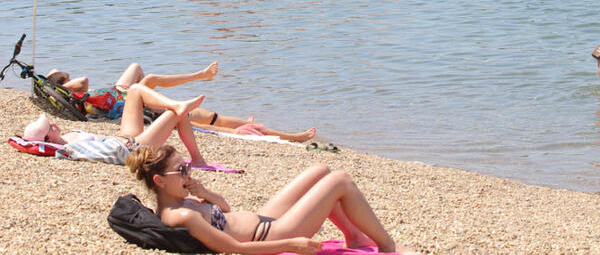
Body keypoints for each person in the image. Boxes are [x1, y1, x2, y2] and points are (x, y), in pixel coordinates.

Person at [128, 147, 419, 255]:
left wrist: (206, 194)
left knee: (320, 171)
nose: (188, 173)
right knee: (340, 180)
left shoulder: (182, 200)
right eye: (181, 170)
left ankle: (354, 237)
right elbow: (234, 248)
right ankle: (387, 247)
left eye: (187, 166)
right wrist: (292, 245)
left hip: (263, 218)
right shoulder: (180, 215)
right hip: (273, 233)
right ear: (160, 181)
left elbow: (225, 211)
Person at [47, 62, 316, 143]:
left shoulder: (80, 97)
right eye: (64, 80)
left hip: (122, 94)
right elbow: (82, 81)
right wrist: (59, 80)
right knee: (210, 120)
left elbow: (81, 83)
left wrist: (56, 79)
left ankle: (200, 80)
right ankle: (292, 137)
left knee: (140, 69)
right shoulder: (76, 94)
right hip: (130, 103)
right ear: (63, 85)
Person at [23, 84, 207, 166]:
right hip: (133, 149)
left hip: (125, 138)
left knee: (134, 90)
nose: (53, 123)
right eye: (50, 127)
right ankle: (197, 159)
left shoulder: (66, 137)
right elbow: (109, 153)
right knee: (177, 114)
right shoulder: (70, 149)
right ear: (48, 139)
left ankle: (174, 103)